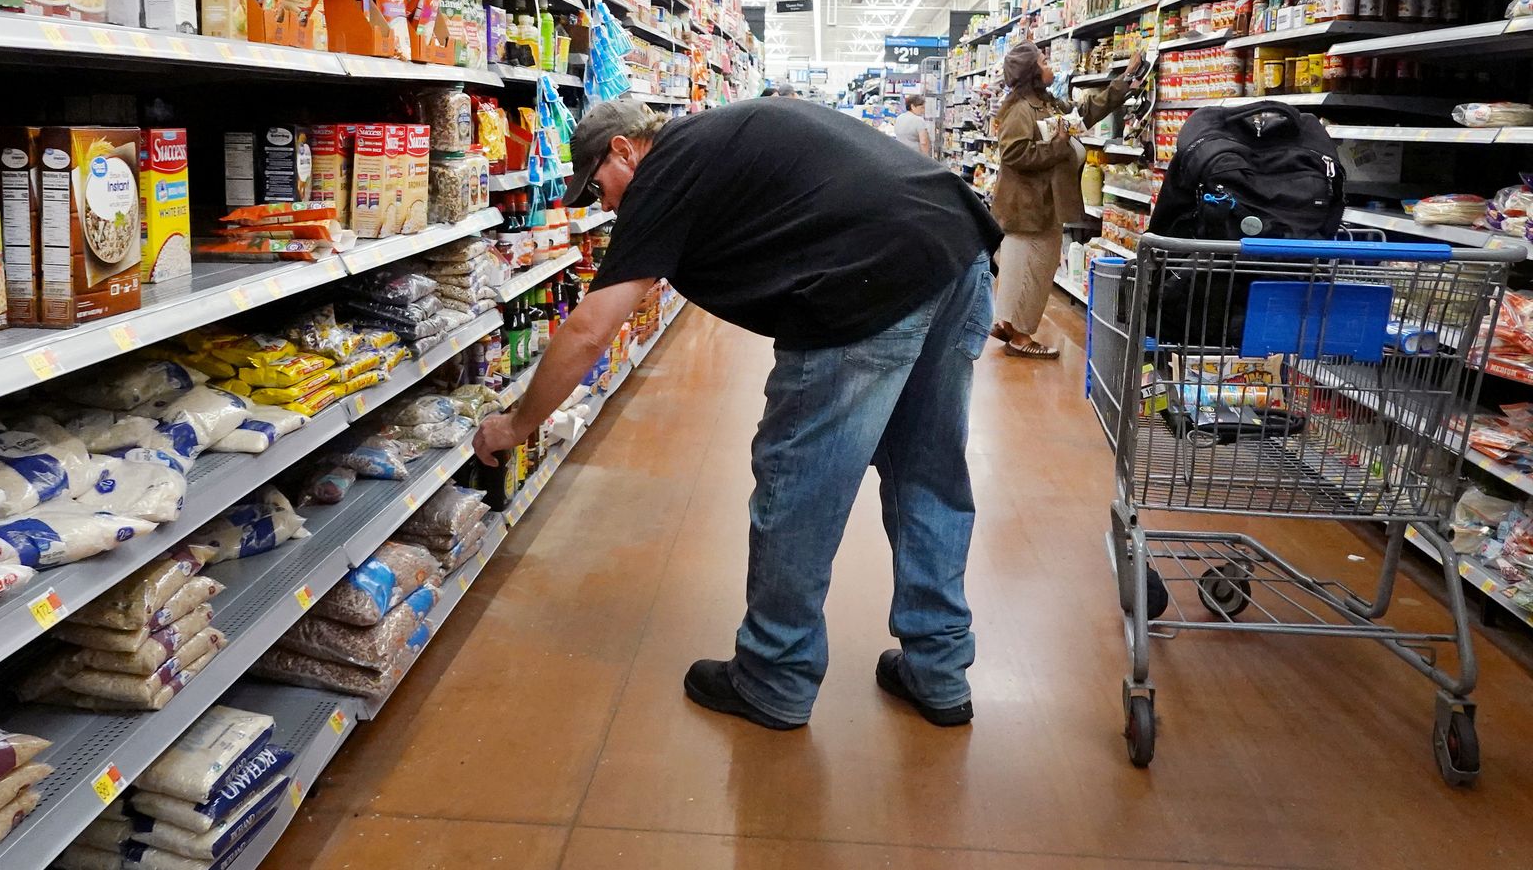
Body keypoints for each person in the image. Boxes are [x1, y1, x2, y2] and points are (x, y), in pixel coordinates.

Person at [472, 97, 1002, 730]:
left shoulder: (665, 169)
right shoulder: (712, 142)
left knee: (800, 485)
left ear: (623, 150)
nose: (606, 206)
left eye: (601, 189)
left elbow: (590, 329)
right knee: (928, 473)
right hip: (955, 247)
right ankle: (939, 671)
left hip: (867, 279)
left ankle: (774, 675)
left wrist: (515, 425)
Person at [990, 41, 1141, 359]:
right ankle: (1021, 336)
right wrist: (1059, 145)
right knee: (1032, 270)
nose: (1051, 66)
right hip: (1028, 206)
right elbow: (1014, 153)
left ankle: (1008, 324)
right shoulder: (1020, 110)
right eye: (1045, 62)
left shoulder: (1044, 104)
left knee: (1026, 268)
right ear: (1032, 71)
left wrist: (1124, 81)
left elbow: (1082, 115)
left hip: (1041, 204)